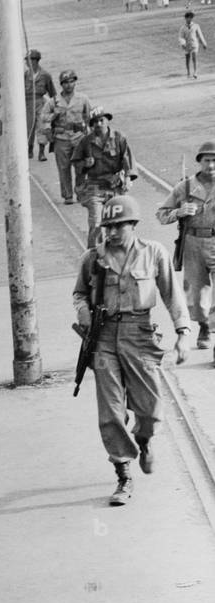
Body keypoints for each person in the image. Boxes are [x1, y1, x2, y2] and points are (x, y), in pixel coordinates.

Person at [73, 196, 189, 506]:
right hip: (104, 337)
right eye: (107, 226)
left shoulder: (154, 253)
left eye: (118, 226)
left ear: (133, 225)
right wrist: (83, 311)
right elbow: (79, 293)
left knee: (150, 411)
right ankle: (123, 472)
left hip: (140, 334)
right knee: (110, 411)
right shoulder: (93, 259)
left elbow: (171, 293)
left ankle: (144, 439)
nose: (111, 232)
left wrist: (183, 332)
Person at [156, 141, 215, 353]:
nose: (211, 165)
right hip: (193, 243)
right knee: (196, 292)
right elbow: (161, 215)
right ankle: (204, 327)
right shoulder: (186, 187)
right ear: (199, 162)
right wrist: (179, 212)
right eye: (207, 160)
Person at [71, 108, 135, 248]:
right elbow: (76, 162)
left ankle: (119, 252)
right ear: (91, 125)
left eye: (101, 120)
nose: (99, 124)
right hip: (95, 187)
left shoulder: (119, 138)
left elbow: (127, 159)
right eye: (95, 122)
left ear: (107, 121)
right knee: (97, 222)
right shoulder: (86, 141)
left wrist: (128, 178)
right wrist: (85, 164)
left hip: (114, 186)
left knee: (119, 223)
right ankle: (94, 255)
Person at [39, 70, 92, 205]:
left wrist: (90, 137)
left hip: (79, 137)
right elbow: (43, 117)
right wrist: (53, 116)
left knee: (81, 167)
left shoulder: (83, 99)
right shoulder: (54, 101)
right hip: (61, 138)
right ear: (61, 85)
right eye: (66, 83)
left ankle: (80, 192)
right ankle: (67, 195)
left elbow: (89, 118)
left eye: (71, 82)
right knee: (64, 168)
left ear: (75, 82)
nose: (69, 85)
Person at [23, 50, 56, 161]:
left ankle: (42, 152)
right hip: (27, 104)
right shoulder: (25, 75)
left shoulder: (45, 75)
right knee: (28, 128)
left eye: (29, 60)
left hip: (40, 103)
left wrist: (54, 108)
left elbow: (53, 93)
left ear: (35, 61)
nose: (27, 63)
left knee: (42, 127)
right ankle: (29, 149)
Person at [179, 10, 207, 79]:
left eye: (191, 17)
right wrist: (183, 44)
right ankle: (188, 72)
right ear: (186, 18)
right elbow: (181, 37)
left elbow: (200, 35)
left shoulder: (196, 26)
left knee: (194, 57)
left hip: (194, 44)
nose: (190, 19)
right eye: (189, 17)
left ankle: (195, 72)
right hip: (187, 45)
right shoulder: (182, 28)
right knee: (187, 58)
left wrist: (203, 43)